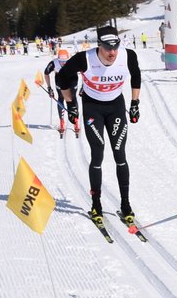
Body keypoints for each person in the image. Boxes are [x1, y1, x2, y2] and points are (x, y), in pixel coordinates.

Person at [55, 25, 143, 227]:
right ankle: (96, 204)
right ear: (99, 46)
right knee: (97, 154)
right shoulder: (84, 58)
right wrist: (71, 105)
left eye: (115, 47)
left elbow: (136, 75)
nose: (112, 53)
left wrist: (135, 103)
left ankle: (126, 205)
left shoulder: (127, 56)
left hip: (116, 107)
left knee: (120, 154)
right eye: (107, 48)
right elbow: (62, 78)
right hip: (93, 107)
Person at [43, 45, 72, 132]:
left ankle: (75, 120)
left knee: (71, 99)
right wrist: (49, 88)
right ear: (58, 59)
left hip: (70, 79)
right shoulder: (54, 63)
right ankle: (62, 121)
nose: (63, 63)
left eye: (65, 61)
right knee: (61, 97)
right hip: (59, 79)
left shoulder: (72, 61)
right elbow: (46, 73)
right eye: (61, 61)